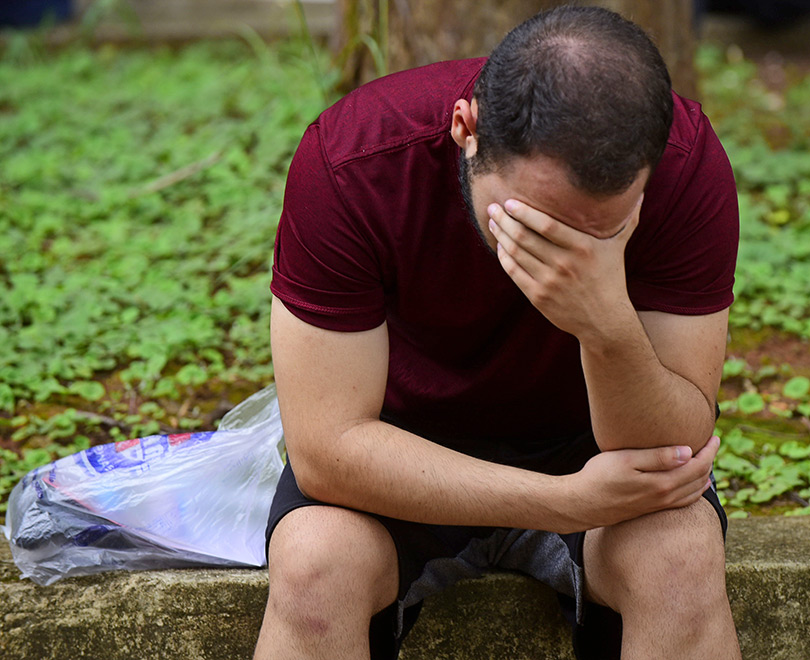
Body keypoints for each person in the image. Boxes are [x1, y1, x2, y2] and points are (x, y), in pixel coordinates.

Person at [253, 5, 741, 659]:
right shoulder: (354, 160)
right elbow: (327, 450)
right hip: (399, 450)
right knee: (314, 565)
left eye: (600, 230)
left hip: (592, 449)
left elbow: (670, 444)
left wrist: (604, 324)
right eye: (533, 222)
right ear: (467, 129)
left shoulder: (684, 164)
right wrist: (562, 503)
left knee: (679, 557)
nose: (563, 252)